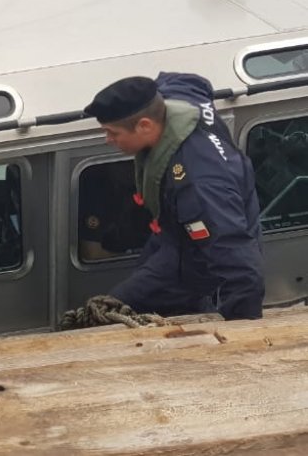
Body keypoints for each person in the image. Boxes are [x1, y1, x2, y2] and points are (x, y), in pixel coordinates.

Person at [85, 72, 265, 320]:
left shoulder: (198, 185)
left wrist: (242, 335)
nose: (108, 140)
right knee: (120, 298)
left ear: (145, 126)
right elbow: (191, 81)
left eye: (113, 133)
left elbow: (239, 264)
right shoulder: (175, 97)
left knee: (107, 317)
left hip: (195, 261)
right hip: (171, 235)